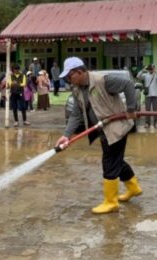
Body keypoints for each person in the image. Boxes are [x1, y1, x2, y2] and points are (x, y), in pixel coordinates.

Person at [55, 57, 141, 214]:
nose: (68, 79)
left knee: (109, 162)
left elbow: (128, 85)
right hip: (103, 129)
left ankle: (111, 202)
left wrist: (130, 109)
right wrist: (66, 135)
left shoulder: (103, 81)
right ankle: (133, 188)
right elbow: (76, 114)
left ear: (79, 72)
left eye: (69, 75)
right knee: (116, 160)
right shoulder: (77, 89)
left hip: (116, 127)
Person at [136, 64, 157, 128]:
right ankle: (147, 123)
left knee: (156, 110)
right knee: (147, 109)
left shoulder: (156, 75)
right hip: (148, 95)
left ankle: (156, 123)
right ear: (148, 69)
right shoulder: (146, 75)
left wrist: (156, 72)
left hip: (156, 95)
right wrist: (142, 70)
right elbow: (138, 76)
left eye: (151, 69)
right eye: (149, 69)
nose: (150, 70)